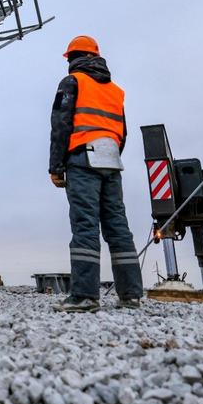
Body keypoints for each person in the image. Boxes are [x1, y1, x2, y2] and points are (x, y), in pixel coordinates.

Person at [48, 35, 143, 312]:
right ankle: (131, 295)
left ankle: (84, 296)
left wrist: (56, 167)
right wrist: (109, 155)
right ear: (96, 56)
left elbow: (60, 125)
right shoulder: (115, 91)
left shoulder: (72, 82)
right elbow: (122, 133)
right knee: (118, 227)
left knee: (85, 225)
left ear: (73, 58)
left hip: (82, 160)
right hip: (111, 161)